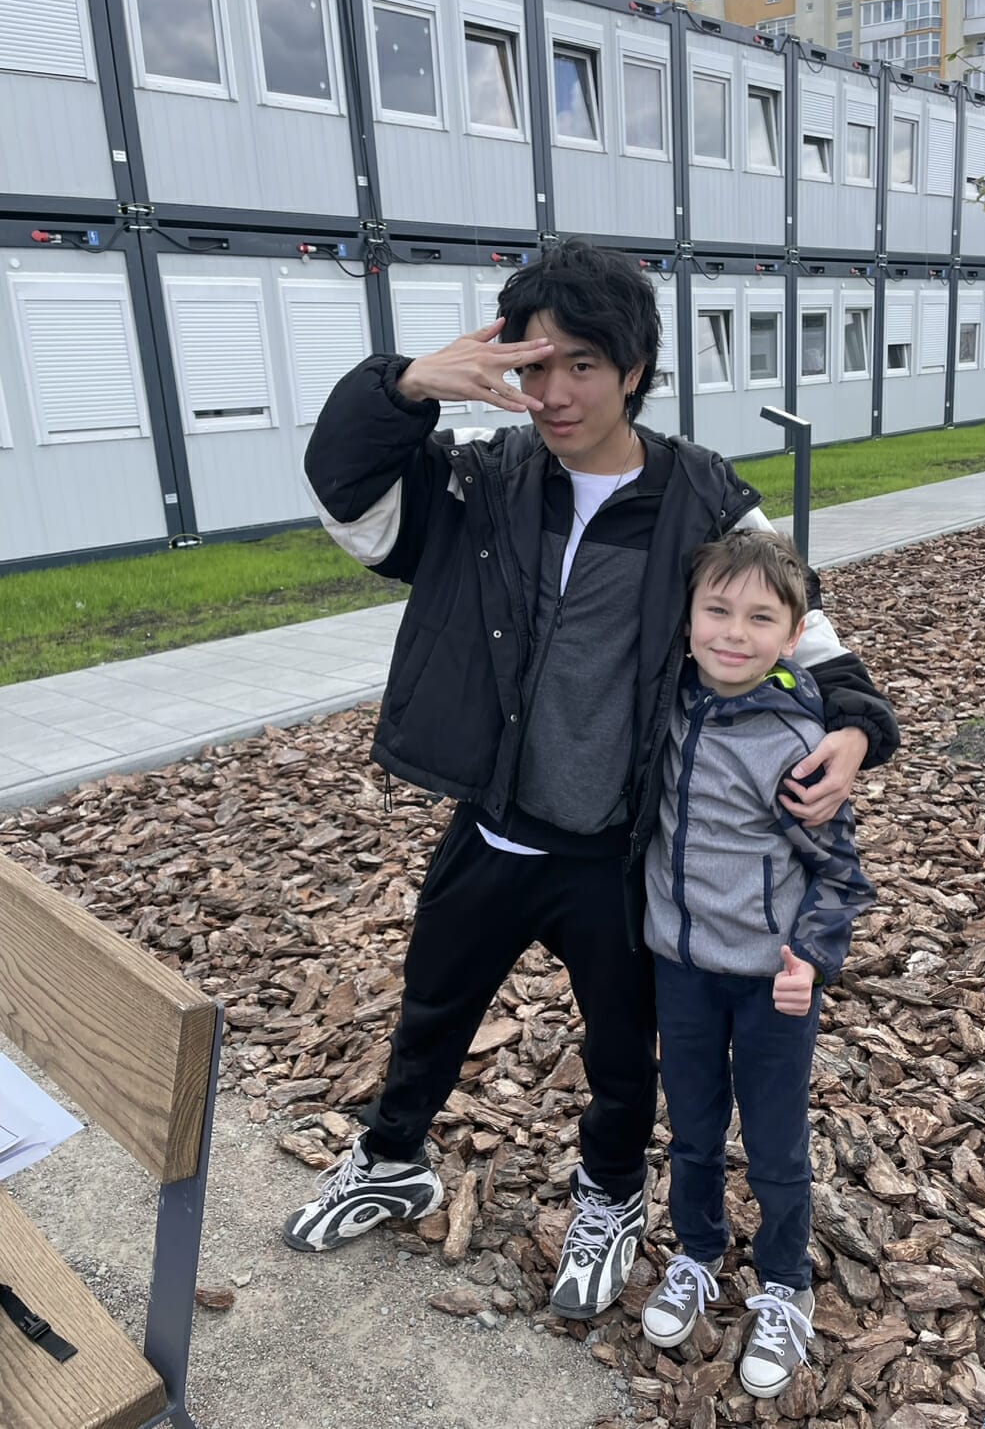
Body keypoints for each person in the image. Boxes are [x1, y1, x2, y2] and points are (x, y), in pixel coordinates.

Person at [285, 241, 898, 1322]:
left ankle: (610, 1194)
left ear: (633, 370)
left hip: (619, 847)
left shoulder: (701, 495)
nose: (555, 392)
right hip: (495, 820)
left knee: (622, 1047)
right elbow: (348, 497)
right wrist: (405, 384)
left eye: (582, 364)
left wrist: (855, 727)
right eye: (534, 365)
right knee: (431, 1005)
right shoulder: (481, 481)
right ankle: (390, 1160)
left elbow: (802, 626)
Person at [639, 530, 876, 1396]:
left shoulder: (794, 739)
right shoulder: (664, 702)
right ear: (687, 617)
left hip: (772, 982)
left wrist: (810, 958)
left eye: (759, 618)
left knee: (774, 1140)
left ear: (794, 633)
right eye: (716, 610)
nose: (733, 633)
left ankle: (784, 1282)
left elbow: (841, 873)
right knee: (692, 1128)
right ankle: (698, 1251)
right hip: (681, 968)